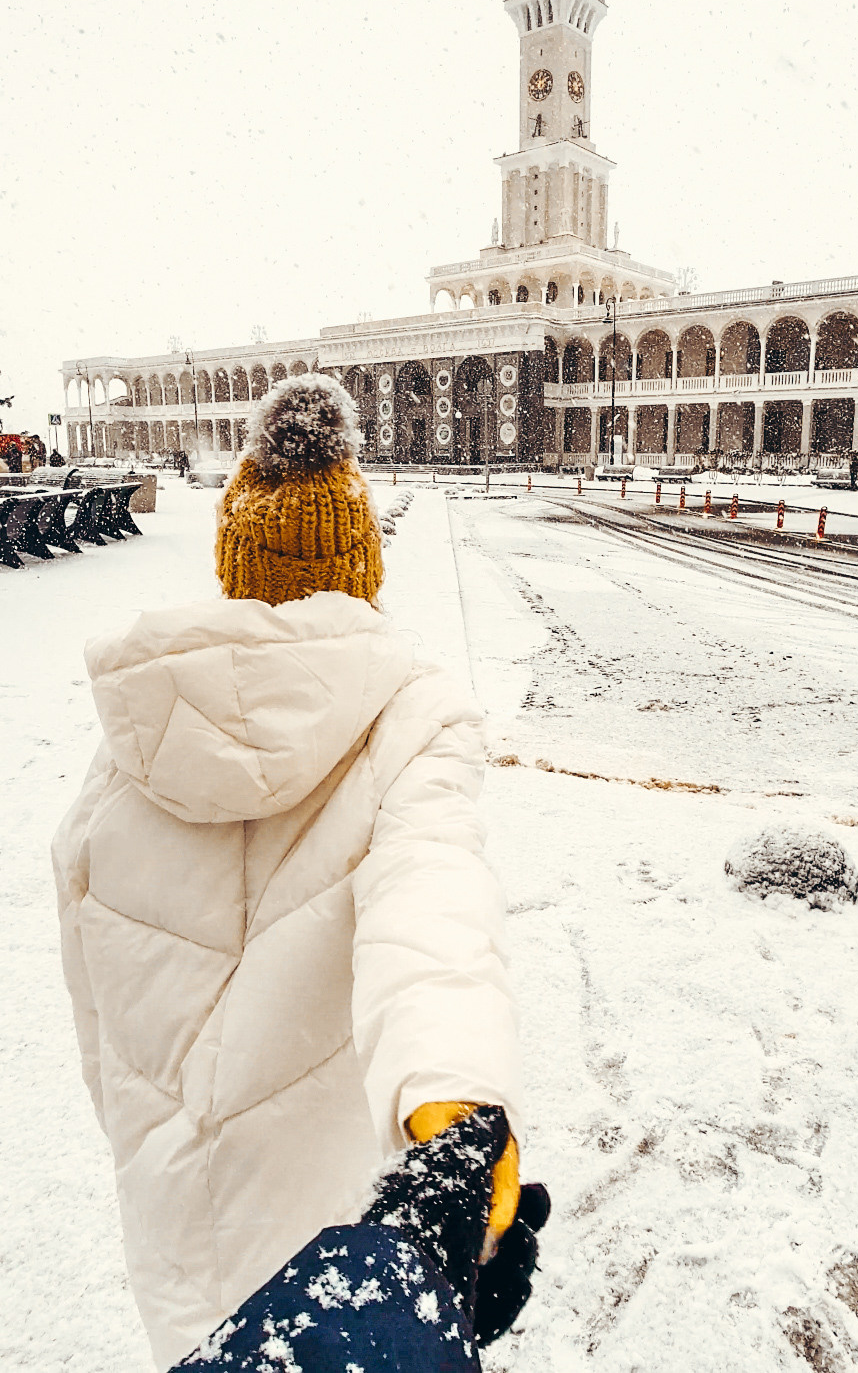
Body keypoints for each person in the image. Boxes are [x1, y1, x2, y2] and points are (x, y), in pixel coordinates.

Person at [53, 375, 531, 1370]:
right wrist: (449, 1095)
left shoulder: (136, 732)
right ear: (362, 562)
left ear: (235, 560)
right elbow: (430, 901)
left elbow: (87, 968)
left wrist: (146, 1130)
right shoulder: (413, 715)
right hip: (332, 1208)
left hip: (166, 1188)